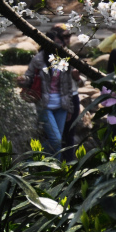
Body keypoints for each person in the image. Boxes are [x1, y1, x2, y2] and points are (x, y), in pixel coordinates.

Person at [19, 25, 82, 156]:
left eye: (59, 43)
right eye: (54, 44)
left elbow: (69, 86)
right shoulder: (38, 59)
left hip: (62, 105)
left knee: (58, 143)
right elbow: (29, 77)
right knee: (56, 140)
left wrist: (69, 107)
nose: (57, 47)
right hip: (44, 104)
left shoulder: (66, 58)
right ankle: (30, 159)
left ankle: (54, 171)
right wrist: (23, 80)